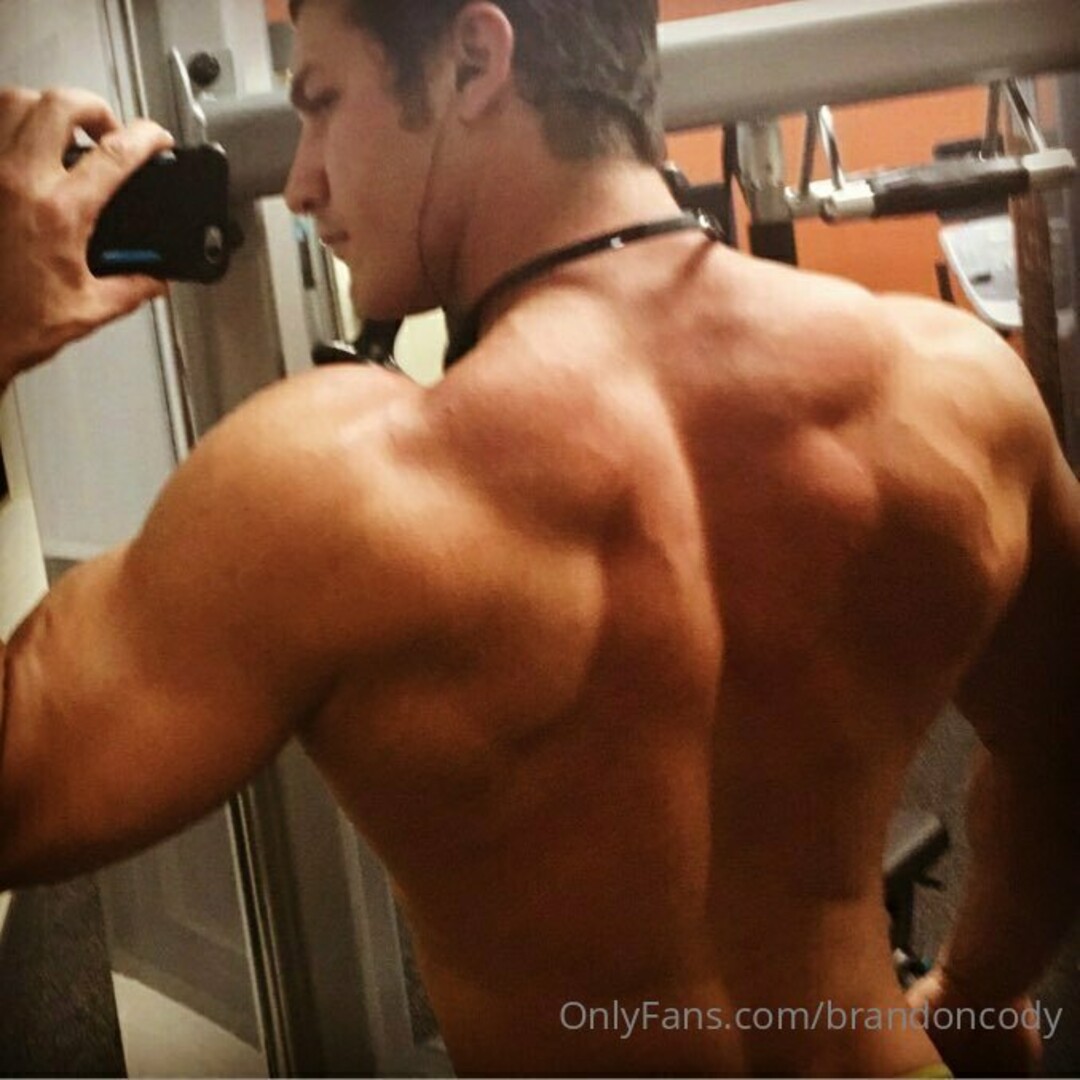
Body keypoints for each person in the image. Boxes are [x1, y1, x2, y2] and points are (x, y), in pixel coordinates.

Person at [0, 1, 1076, 1075]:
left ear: (475, 61)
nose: (304, 180)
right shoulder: (952, 386)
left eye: (322, 103)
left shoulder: (333, 483)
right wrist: (977, 990)